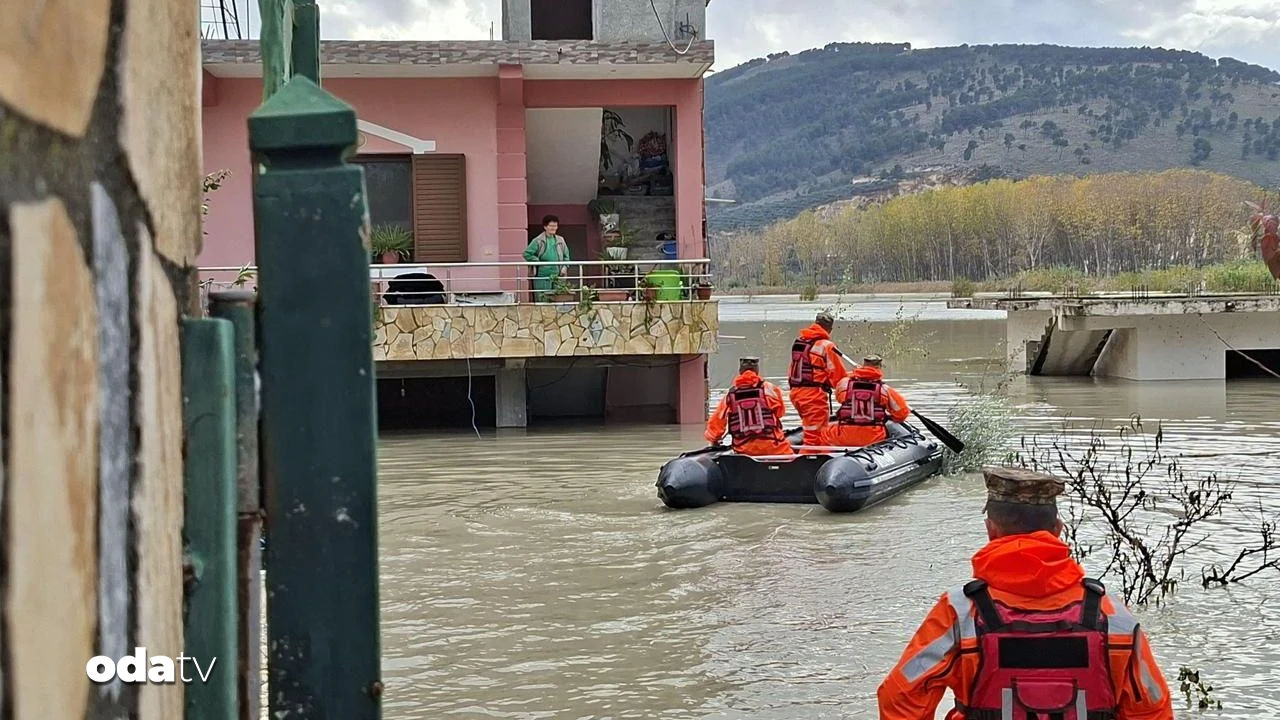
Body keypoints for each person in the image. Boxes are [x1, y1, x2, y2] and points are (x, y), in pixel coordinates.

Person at [877, 466, 1174, 720]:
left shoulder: (960, 612)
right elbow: (1151, 708)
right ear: (1058, 530)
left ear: (991, 530)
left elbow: (900, 695)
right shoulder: (1113, 615)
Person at [704, 357, 793, 457]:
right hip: (774, 446)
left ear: (740, 371)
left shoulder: (729, 396)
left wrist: (714, 441)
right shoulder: (770, 389)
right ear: (757, 371)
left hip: (743, 449)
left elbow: (716, 424)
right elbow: (780, 413)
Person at [787, 312, 848, 447]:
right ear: (830, 329)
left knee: (811, 431)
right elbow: (839, 378)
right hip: (813, 397)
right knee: (816, 437)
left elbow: (794, 370)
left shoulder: (799, 343)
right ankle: (811, 458)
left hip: (796, 394)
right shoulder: (827, 346)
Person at [822, 354, 909, 447]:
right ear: (879, 367)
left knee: (821, 431)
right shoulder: (885, 389)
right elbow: (901, 414)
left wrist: (854, 374)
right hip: (874, 438)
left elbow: (839, 398)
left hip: (844, 437)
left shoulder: (844, 384)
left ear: (863, 365)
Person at [523, 214, 571, 302]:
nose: (553, 228)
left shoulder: (560, 240)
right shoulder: (538, 240)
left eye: (555, 226)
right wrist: (538, 261)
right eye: (551, 226)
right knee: (542, 299)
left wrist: (564, 267)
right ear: (545, 227)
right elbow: (527, 254)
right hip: (542, 275)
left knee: (558, 298)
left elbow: (566, 256)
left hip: (558, 274)